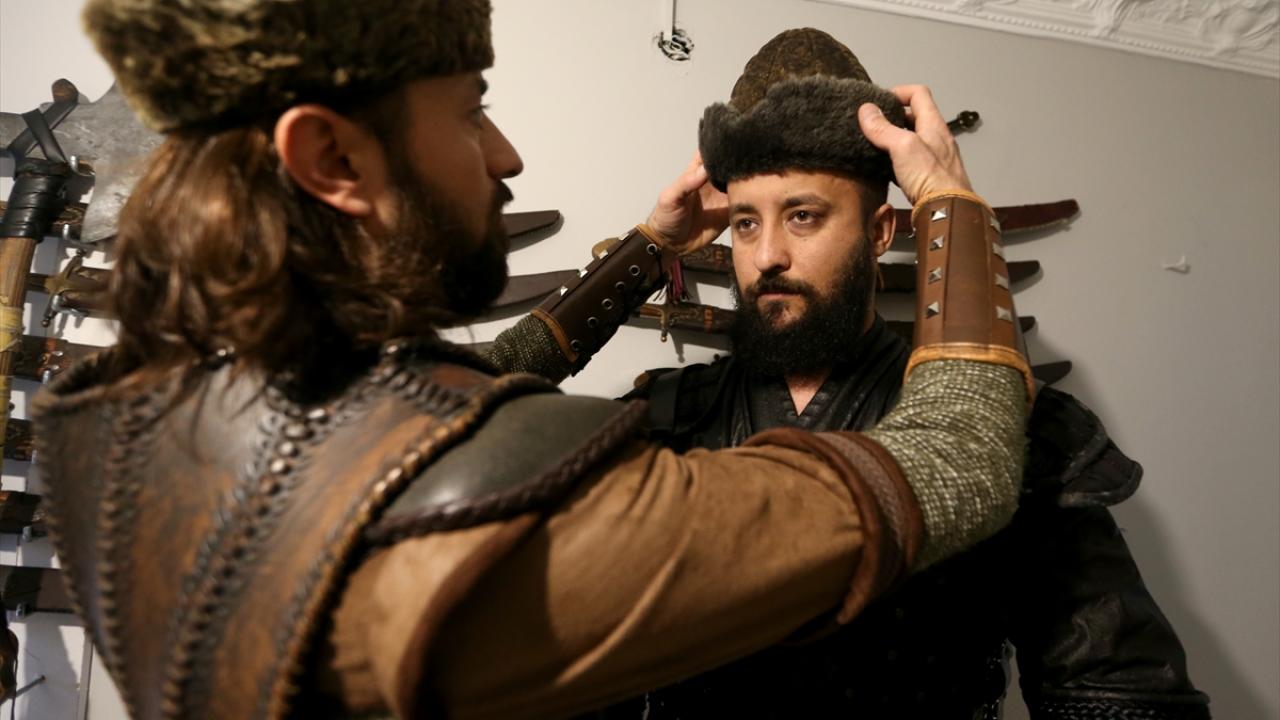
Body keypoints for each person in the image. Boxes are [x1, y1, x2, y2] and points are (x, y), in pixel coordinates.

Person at [30, 3, 1035, 719]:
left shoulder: (126, 424)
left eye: (804, 216)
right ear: (331, 160)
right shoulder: (530, 493)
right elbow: (961, 460)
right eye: (471, 110)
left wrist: (649, 244)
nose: (505, 153)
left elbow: (461, 395)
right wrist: (952, 207)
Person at [493, 28, 1211, 720]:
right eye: (745, 223)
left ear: (879, 232)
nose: (766, 255)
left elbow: (1121, 698)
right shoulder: (663, 418)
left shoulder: (1021, 429)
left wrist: (947, 200)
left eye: (803, 216)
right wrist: (652, 244)